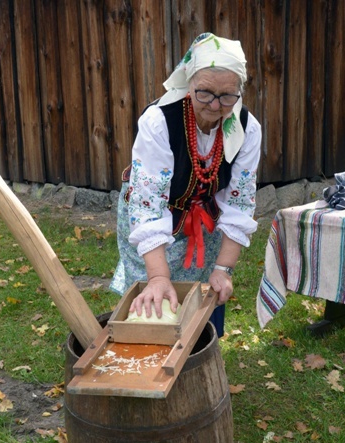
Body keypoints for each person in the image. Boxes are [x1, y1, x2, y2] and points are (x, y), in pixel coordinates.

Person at [110, 32, 262, 338]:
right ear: (188, 83)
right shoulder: (159, 121)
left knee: (205, 292)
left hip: (203, 223)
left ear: (239, 92)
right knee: (154, 298)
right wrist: (157, 277)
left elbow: (239, 202)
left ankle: (203, 355)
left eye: (227, 96)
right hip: (150, 216)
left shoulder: (247, 129)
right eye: (204, 92)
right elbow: (148, 205)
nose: (214, 105)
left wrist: (223, 270)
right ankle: (148, 361)